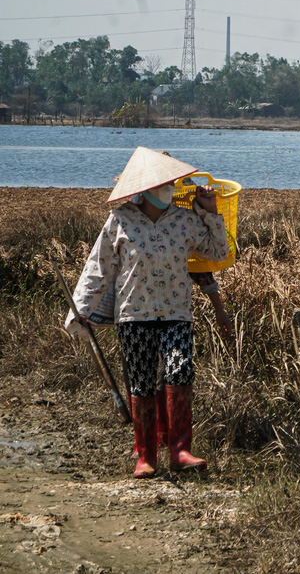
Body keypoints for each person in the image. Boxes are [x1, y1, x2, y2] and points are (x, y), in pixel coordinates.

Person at [66, 147, 228, 479]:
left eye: (171, 184)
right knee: (140, 382)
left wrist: (210, 211)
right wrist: (80, 310)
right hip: (134, 314)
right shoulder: (121, 220)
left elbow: (218, 251)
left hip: (176, 312)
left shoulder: (184, 220)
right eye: (161, 184)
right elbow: (99, 268)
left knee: (179, 373)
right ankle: (145, 454)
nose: (169, 189)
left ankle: (180, 450)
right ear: (144, 189)